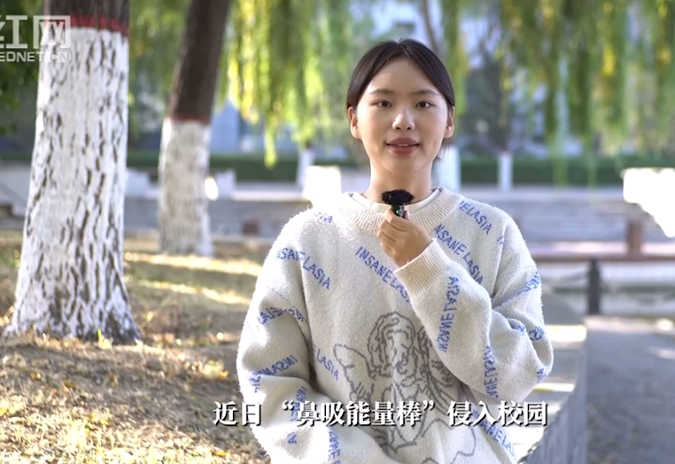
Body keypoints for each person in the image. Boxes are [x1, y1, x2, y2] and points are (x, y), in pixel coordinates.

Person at [236, 38, 554, 464]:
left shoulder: (494, 235)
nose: (403, 121)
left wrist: (430, 272)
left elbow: (519, 375)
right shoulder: (306, 240)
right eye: (383, 103)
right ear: (354, 118)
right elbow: (269, 386)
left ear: (449, 121)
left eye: (423, 104)